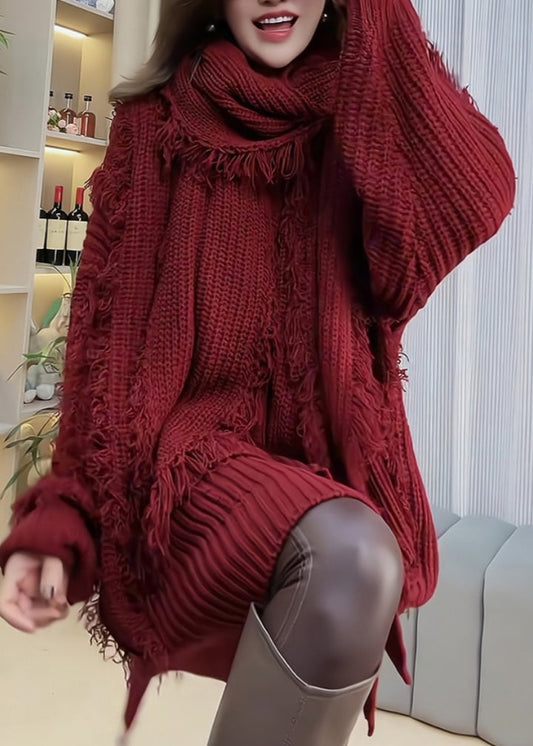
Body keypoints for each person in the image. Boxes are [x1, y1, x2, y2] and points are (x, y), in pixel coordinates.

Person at [0, 0, 516, 744]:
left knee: (351, 560)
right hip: (183, 475)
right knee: (353, 556)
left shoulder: (363, 122)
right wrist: (63, 516)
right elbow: (104, 350)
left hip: (325, 476)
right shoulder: (156, 125)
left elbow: (476, 194)